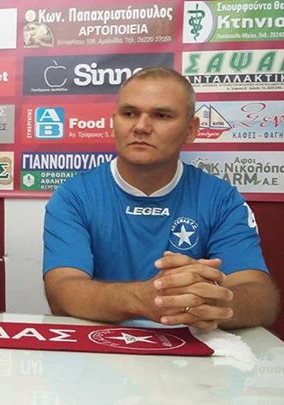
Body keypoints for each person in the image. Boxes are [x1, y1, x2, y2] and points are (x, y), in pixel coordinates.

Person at [43, 67, 279, 331]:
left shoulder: (221, 199)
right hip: (100, 347)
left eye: (161, 115)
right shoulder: (74, 196)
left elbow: (260, 295)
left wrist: (207, 301)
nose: (141, 127)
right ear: (114, 121)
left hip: (192, 349)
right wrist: (145, 298)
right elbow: (61, 291)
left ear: (190, 129)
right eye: (129, 113)